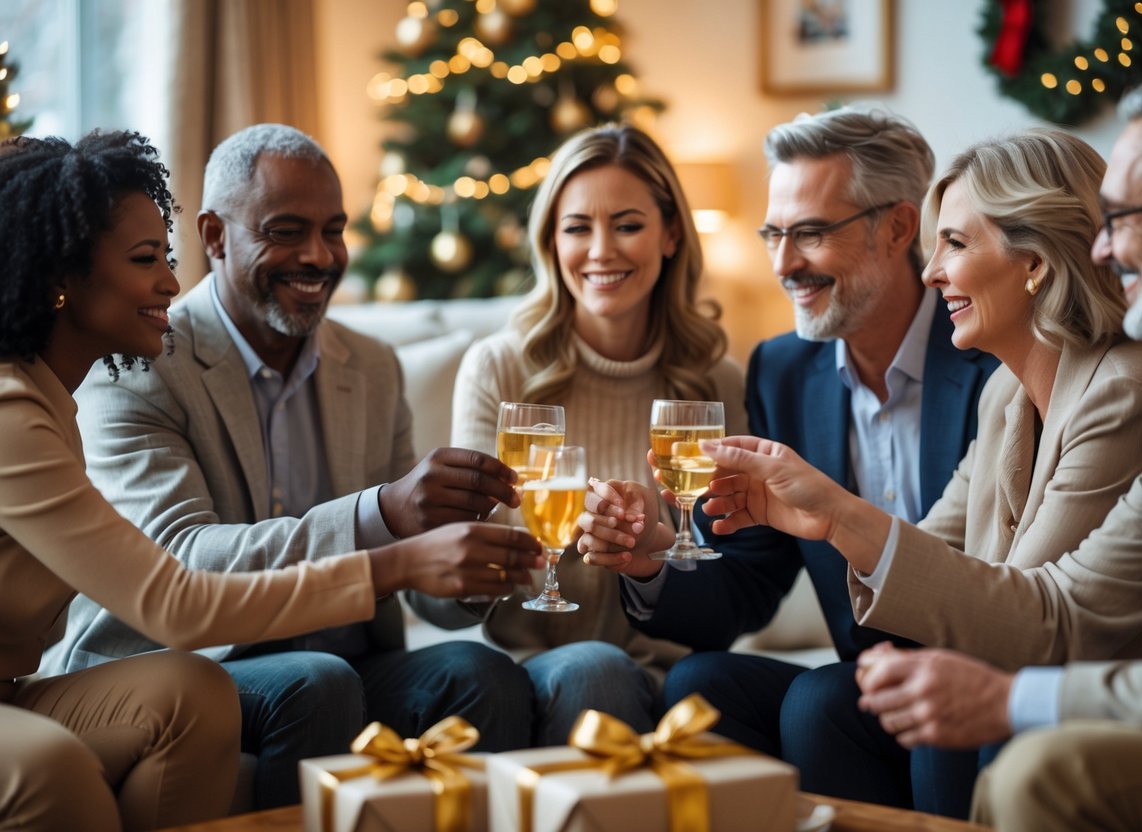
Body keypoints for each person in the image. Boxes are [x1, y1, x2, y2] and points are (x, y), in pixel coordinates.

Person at [699, 71, 1142, 830]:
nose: (932, 271)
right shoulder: (1009, 394)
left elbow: (1034, 623)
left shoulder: (1137, 388)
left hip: (1091, 693)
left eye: (954, 244)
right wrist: (820, 519)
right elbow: (939, 560)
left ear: (1033, 263)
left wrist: (840, 512)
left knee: (907, 704)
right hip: (1060, 671)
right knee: (741, 688)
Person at [0, 131, 540, 831]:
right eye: (145, 261)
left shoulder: (53, 396)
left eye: (333, 231)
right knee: (66, 762)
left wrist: (465, 561)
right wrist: (393, 545)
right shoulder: (40, 405)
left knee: (202, 692)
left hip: (27, 688)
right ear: (60, 280)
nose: (170, 280)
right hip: (210, 649)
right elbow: (176, 594)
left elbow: (427, 584)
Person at [576, 106, 999, 808]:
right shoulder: (780, 369)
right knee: (700, 686)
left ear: (897, 227)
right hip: (864, 687)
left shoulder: (985, 357)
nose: (781, 264)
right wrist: (649, 559)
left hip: (973, 668)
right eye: (773, 233)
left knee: (818, 699)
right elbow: (745, 585)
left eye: (809, 233)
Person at [450, 123, 746, 745]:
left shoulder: (717, 381)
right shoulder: (499, 367)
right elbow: (462, 564)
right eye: (578, 227)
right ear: (551, 242)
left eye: (628, 225)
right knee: (595, 670)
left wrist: (653, 548)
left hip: (675, 672)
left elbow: (735, 582)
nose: (602, 250)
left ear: (670, 235)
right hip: (536, 669)